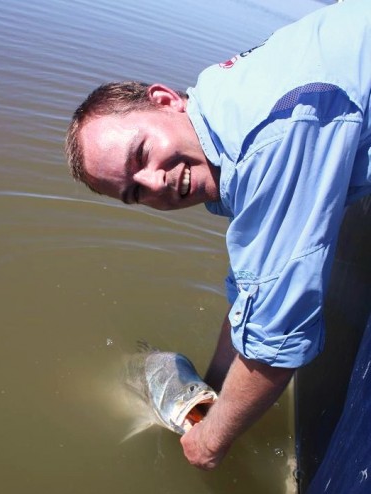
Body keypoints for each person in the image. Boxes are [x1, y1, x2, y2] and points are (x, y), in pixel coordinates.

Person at [65, 0, 371, 470]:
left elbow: (279, 339)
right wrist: (210, 391)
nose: (154, 183)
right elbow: (254, 289)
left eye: (141, 154)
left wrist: (209, 441)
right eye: (133, 193)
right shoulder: (221, 105)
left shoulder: (265, 139)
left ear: (164, 99)